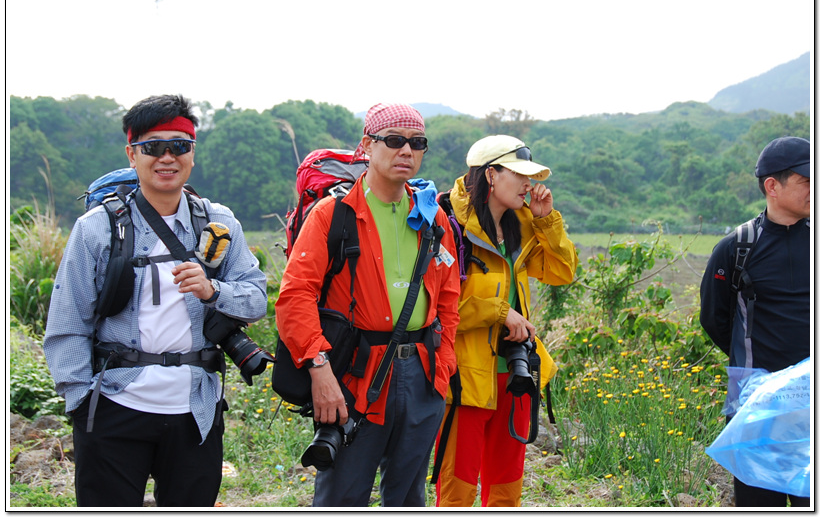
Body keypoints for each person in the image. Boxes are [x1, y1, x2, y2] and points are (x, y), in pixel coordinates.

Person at [43, 94, 268, 507]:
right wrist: (81, 402)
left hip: (195, 409)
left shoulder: (218, 222)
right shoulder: (97, 229)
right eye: (152, 147)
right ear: (132, 154)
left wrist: (212, 290)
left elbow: (256, 299)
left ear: (193, 154)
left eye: (178, 146)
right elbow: (67, 323)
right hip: (115, 402)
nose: (166, 157)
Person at [275, 103, 460, 507]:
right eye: (394, 141)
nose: (406, 151)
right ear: (367, 145)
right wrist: (319, 371)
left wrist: (443, 366)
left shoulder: (433, 218)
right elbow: (295, 298)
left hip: (424, 372)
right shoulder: (333, 215)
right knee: (343, 494)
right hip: (355, 375)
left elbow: (448, 298)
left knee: (409, 497)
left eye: (417, 143)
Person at [435, 134, 578, 507]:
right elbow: (436, 310)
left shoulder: (521, 225)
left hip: (515, 372)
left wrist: (546, 221)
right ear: (491, 175)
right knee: (458, 486)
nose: (529, 184)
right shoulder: (449, 225)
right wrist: (499, 311)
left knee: (506, 484)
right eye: (519, 174)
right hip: (465, 377)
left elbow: (562, 272)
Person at [700, 136, 810, 508]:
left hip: (814, 405)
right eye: (806, 180)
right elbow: (715, 319)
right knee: (759, 503)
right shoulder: (737, 247)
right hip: (756, 404)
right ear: (772, 186)